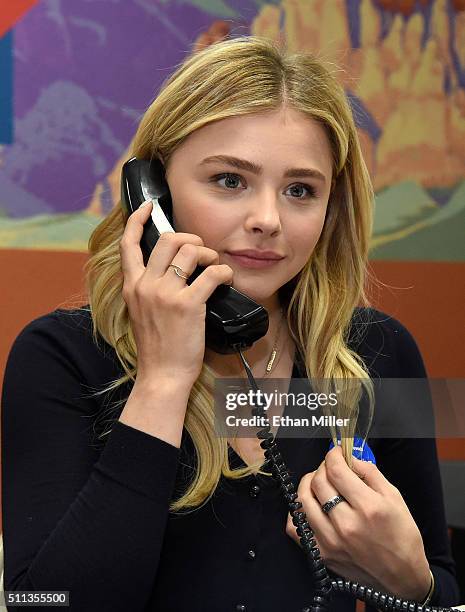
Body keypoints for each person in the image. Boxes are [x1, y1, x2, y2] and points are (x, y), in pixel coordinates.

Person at [1, 36, 460, 612]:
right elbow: (43, 602)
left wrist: (410, 582)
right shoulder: (60, 357)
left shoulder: (381, 354)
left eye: (300, 190)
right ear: (155, 195)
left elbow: (440, 587)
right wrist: (165, 380)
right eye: (229, 180)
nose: (267, 219)